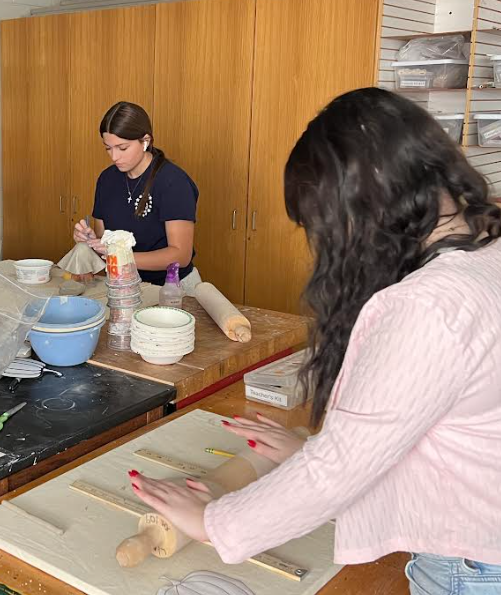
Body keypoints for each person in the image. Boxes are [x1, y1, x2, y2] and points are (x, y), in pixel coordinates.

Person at [129, 88, 501, 593]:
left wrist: (213, 521)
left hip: (473, 562)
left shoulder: (430, 304)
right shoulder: (487, 246)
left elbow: (340, 472)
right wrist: (319, 448)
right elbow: (435, 411)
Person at [73, 102, 200, 290]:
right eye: (108, 148)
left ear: (145, 140)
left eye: (122, 148)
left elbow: (180, 255)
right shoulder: (107, 180)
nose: (114, 157)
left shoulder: (173, 182)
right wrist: (92, 241)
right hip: (122, 283)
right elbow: (106, 240)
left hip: (171, 288)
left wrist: (119, 256)